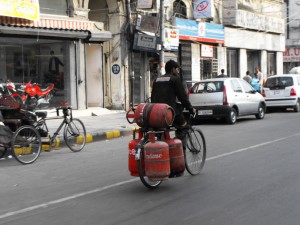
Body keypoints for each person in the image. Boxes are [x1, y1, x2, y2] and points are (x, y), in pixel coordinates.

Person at [151, 60, 194, 147]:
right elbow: (183, 98)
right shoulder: (175, 80)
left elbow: (153, 98)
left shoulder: (156, 80)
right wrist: (190, 108)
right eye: (177, 69)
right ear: (173, 69)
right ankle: (179, 146)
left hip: (156, 112)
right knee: (184, 126)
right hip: (170, 113)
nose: (178, 72)